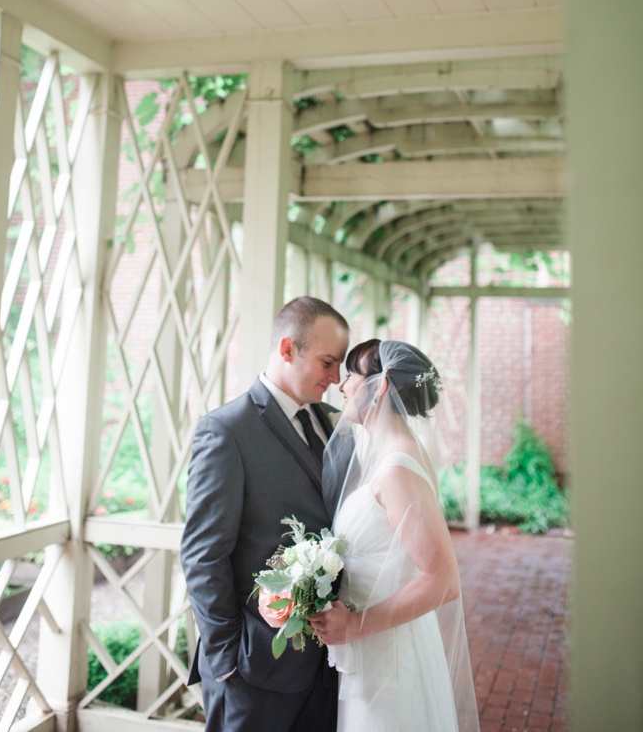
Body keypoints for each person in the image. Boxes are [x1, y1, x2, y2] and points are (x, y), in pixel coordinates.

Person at [181, 296, 349, 731]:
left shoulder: (332, 422)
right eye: (328, 362)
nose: (335, 378)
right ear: (288, 348)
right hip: (254, 667)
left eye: (341, 366)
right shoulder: (226, 431)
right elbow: (203, 555)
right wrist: (227, 660)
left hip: (327, 667)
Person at [308, 340, 478, 731]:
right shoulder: (384, 456)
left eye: (352, 374)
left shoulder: (397, 468)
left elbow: (443, 581)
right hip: (373, 651)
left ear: (379, 387)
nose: (343, 386)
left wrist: (354, 625)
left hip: (389, 658)